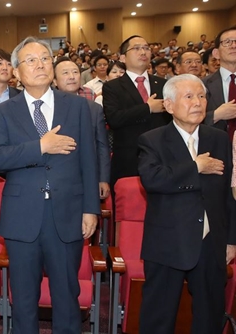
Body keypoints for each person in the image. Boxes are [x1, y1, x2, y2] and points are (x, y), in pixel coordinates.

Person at [0, 37, 99, 333]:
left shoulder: (77, 107)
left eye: (45, 59)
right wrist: (41, 146)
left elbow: (89, 160)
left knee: (67, 294)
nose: (40, 65)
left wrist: (91, 209)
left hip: (68, 213)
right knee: (23, 299)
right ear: (16, 72)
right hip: (22, 217)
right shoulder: (4, 112)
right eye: (31, 60)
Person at [137, 74, 236, 333]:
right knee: (159, 317)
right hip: (168, 242)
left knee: (209, 316)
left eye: (202, 96)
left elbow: (227, 193)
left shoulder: (218, 138)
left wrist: (231, 239)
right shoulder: (152, 139)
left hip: (210, 242)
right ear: (169, 106)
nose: (198, 103)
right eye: (189, 97)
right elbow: (153, 179)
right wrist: (195, 167)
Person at [103, 35, 171, 188]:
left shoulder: (163, 84)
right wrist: (147, 108)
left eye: (146, 48)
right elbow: (114, 119)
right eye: (137, 48)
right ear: (122, 57)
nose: (143, 52)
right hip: (129, 160)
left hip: (163, 158)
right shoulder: (112, 87)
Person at [53, 58, 111, 199]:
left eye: (75, 72)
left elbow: (102, 146)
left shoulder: (94, 109)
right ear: (54, 81)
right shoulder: (47, 108)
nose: (72, 76)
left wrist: (103, 178)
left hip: (87, 176)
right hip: (56, 178)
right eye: (65, 73)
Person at [203, 26, 236, 138]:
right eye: (227, 42)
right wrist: (215, 115)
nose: (233, 46)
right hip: (216, 149)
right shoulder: (202, 84)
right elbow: (187, 119)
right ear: (216, 53)